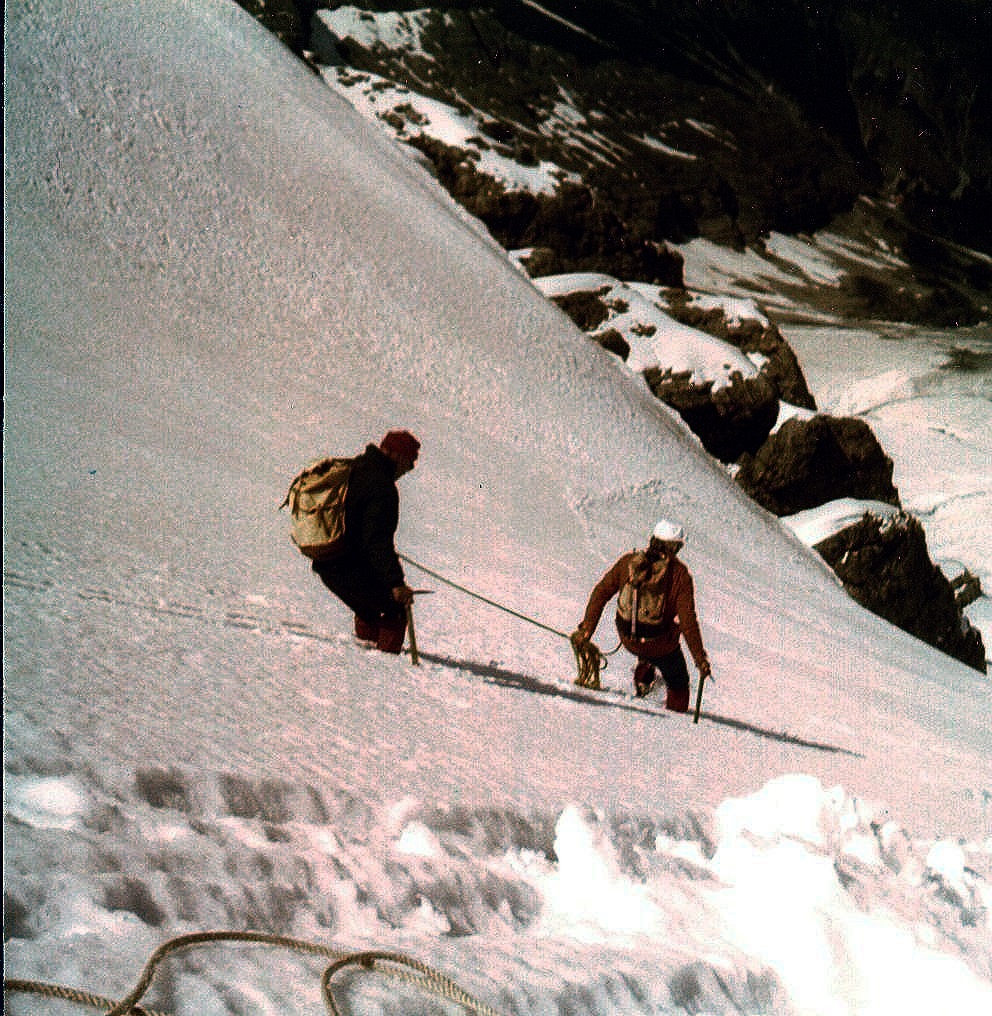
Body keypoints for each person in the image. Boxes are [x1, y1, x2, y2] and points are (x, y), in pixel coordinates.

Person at [571, 519, 712, 711]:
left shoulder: (629, 562)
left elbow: (601, 592)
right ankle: (676, 717)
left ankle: (644, 675)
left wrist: (587, 629)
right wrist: (700, 659)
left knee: (646, 648)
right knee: (678, 679)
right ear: (675, 547)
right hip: (659, 645)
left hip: (628, 638)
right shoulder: (679, 574)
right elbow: (688, 621)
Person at [312, 429, 420, 654]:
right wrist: (396, 584)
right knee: (395, 607)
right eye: (409, 464)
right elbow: (377, 542)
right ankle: (382, 667)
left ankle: (363, 651)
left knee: (369, 608)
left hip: (326, 563)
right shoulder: (382, 487)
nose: (407, 471)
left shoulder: (355, 468)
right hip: (346, 566)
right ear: (398, 457)